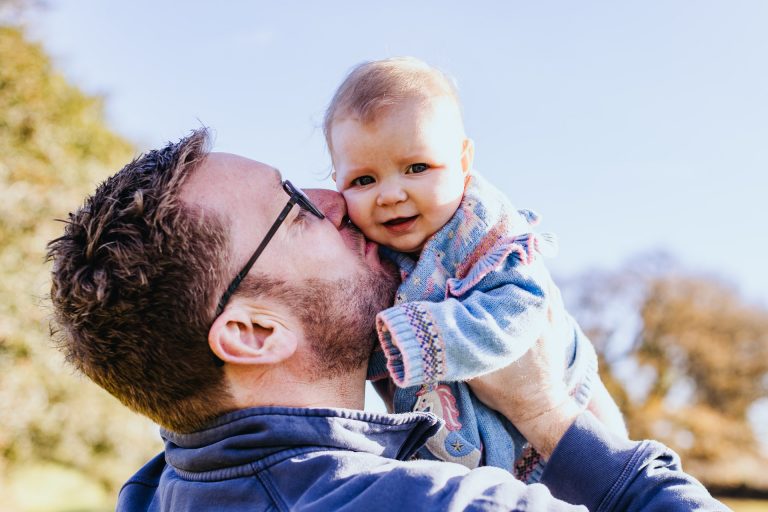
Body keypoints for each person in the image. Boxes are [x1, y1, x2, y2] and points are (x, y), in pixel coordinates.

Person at [47, 129, 727, 511]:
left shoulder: (160, 492)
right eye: (294, 206)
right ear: (253, 332)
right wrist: (550, 416)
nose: (338, 199)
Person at [325, 56, 625, 481]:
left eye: (417, 168)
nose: (390, 194)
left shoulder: (487, 233)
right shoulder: (363, 253)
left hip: (567, 391)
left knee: (608, 462)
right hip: (467, 442)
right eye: (363, 181)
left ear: (464, 162)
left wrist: (424, 337)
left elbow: (520, 310)